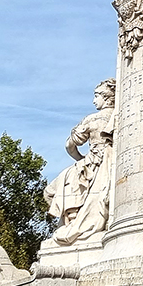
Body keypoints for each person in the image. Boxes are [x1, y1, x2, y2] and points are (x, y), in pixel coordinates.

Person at [44, 79, 115, 245]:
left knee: (52, 190)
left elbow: (70, 145)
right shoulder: (121, 115)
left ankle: (72, 221)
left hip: (93, 161)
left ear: (106, 98)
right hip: (112, 160)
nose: (94, 100)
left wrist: (80, 160)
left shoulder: (93, 119)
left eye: (96, 96)